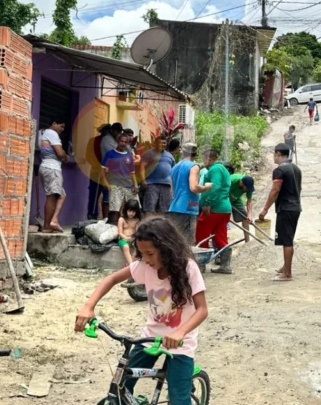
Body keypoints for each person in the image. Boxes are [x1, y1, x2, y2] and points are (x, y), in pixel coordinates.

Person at [74, 217, 208, 405]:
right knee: (121, 386)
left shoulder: (188, 268)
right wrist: (89, 307)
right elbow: (111, 279)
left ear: (166, 249)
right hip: (149, 339)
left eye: (150, 254)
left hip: (180, 343)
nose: (145, 259)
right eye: (142, 253)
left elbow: (202, 310)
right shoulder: (144, 266)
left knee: (179, 399)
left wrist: (180, 332)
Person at [258, 143, 302, 282]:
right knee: (288, 238)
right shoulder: (296, 168)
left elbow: (275, 190)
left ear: (277, 153)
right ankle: (285, 267)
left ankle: (287, 274)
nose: (273, 157)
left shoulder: (279, 170)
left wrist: (265, 209)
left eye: (274, 154)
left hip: (286, 208)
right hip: (295, 207)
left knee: (286, 240)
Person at [195, 148, 233, 274]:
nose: (202, 161)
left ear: (209, 158)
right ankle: (225, 265)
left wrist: (207, 203)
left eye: (203, 158)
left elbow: (215, 187)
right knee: (220, 236)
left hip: (215, 208)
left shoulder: (215, 169)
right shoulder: (222, 169)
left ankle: (200, 265)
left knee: (202, 235)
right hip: (224, 208)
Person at [167, 143, 211, 242]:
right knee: (188, 242)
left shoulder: (175, 167)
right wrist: (206, 187)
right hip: (187, 208)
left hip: (175, 207)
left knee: (176, 240)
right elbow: (194, 187)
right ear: (196, 153)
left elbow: (171, 190)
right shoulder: (194, 166)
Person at [38, 119, 69, 233]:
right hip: (52, 168)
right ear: (54, 124)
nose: (62, 129)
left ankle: (53, 220)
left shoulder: (44, 133)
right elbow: (60, 153)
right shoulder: (52, 133)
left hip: (47, 167)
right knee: (52, 196)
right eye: (61, 126)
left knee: (61, 195)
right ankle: (47, 225)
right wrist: (66, 156)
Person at [103, 133, 138, 225]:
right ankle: (113, 227)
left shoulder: (129, 156)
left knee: (134, 206)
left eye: (125, 142)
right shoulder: (110, 154)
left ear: (127, 143)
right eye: (121, 141)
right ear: (118, 141)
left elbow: (132, 172)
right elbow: (103, 171)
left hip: (129, 186)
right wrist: (106, 183)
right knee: (115, 209)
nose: (123, 143)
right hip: (115, 185)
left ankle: (131, 227)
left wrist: (135, 184)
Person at [141, 134, 175, 218]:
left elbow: (173, 171)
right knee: (149, 207)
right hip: (152, 184)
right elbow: (142, 167)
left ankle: (161, 228)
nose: (163, 145)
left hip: (166, 186)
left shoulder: (170, 155)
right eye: (160, 143)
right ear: (156, 143)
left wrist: (172, 186)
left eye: (164, 143)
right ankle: (148, 227)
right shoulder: (149, 153)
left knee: (165, 209)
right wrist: (143, 180)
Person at [99, 122, 124, 217]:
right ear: (112, 130)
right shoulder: (106, 139)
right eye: (117, 131)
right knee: (107, 197)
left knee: (116, 197)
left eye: (120, 131)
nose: (118, 133)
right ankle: (106, 218)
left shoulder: (115, 140)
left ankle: (114, 219)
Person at [86, 125, 110, 220]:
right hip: (96, 171)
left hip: (109, 173)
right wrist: (97, 165)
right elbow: (88, 156)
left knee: (108, 195)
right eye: (106, 131)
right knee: (93, 193)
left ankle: (107, 217)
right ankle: (92, 214)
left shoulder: (112, 142)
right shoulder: (93, 141)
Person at [228, 171, 255, 244]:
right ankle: (222, 242)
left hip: (236, 199)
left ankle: (247, 242)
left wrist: (249, 214)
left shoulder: (248, 186)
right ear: (241, 183)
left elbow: (249, 201)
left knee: (246, 218)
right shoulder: (232, 180)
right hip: (224, 198)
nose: (246, 191)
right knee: (223, 217)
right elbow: (220, 190)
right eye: (245, 188)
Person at [117, 199, 143, 266]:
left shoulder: (137, 220)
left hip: (133, 239)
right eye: (129, 211)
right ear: (126, 210)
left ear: (136, 212)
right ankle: (131, 266)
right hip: (123, 240)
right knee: (126, 247)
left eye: (133, 211)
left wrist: (133, 238)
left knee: (137, 249)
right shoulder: (121, 219)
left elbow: (138, 231)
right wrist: (126, 238)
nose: (131, 213)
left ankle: (128, 264)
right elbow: (119, 233)